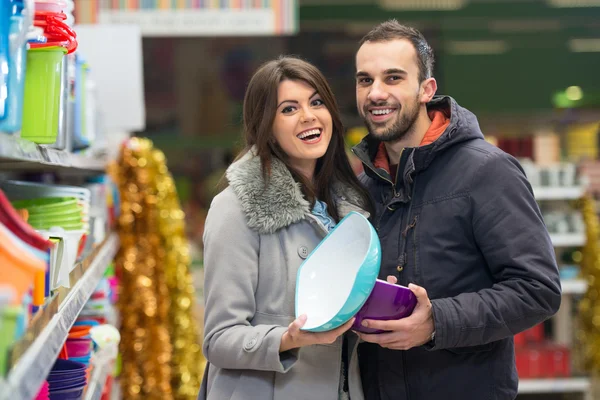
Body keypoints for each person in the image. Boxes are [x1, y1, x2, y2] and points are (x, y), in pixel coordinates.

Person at [350, 20, 561, 400]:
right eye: (365, 80)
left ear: (426, 89)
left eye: (393, 78)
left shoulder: (486, 171)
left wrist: (437, 322)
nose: (376, 93)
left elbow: (538, 290)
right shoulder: (364, 188)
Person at [198, 56, 375, 400]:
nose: (308, 116)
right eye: (289, 109)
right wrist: (289, 339)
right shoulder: (236, 208)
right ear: (266, 126)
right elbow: (218, 339)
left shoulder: (349, 207)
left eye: (316, 102)